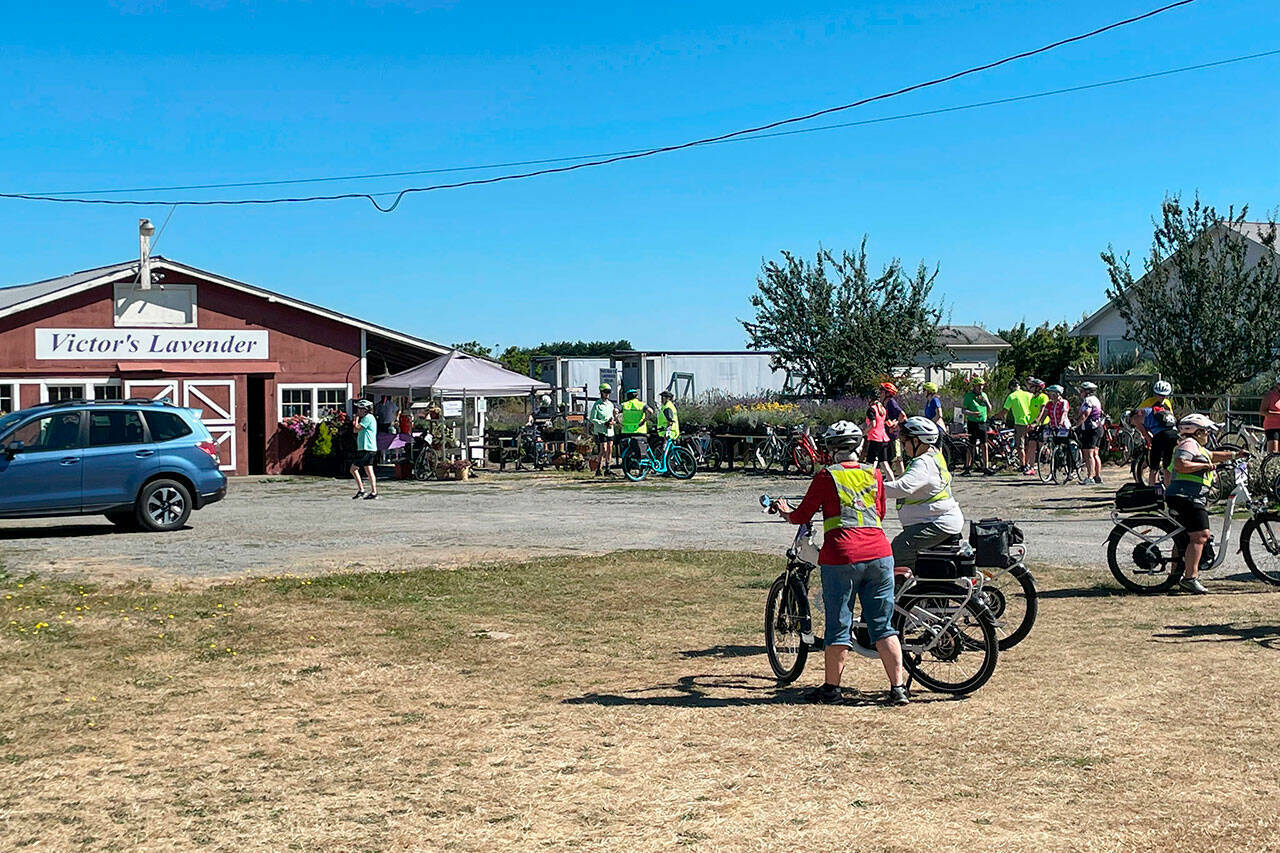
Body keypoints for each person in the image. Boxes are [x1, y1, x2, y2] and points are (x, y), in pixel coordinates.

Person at [774, 422, 908, 706]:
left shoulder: (827, 476)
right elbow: (880, 512)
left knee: (838, 625)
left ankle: (832, 689)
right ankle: (898, 689)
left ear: (832, 450)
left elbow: (802, 515)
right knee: (883, 626)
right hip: (880, 554)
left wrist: (786, 512)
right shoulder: (875, 473)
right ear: (859, 447)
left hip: (842, 556)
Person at [1166, 414, 1244, 594]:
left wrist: (1235, 454)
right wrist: (1203, 467)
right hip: (1186, 496)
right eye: (1206, 431)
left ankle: (1175, 575)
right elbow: (1180, 465)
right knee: (1201, 535)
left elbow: (1214, 455)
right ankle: (1190, 579)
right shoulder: (1188, 444)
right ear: (1197, 431)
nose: (1208, 434)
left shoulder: (1198, 447)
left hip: (1189, 496)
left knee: (1184, 537)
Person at [878, 417, 964, 572]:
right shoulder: (933, 454)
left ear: (917, 441)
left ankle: (905, 592)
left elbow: (902, 488)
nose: (904, 447)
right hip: (935, 520)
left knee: (897, 551)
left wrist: (868, 487)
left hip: (937, 523)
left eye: (905, 442)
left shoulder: (923, 462)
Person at [1132, 380, 1176, 489]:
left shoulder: (1167, 403)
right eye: (1160, 395)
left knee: (1158, 466)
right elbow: (1139, 416)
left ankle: (1154, 490)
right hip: (1157, 432)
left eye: (1165, 395)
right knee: (1161, 465)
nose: (1162, 397)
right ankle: (1160, 489)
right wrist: (1146, 435)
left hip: (1160, 434)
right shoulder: (1148, 403)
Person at [1000, 378, 1034, 473]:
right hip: (1031, 422)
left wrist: (996, 416)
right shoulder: (1029, 394)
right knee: (1029, 445)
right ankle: (1029, 464)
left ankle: (1023, 465)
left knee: (1020, 446)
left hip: (1020, 422)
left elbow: (1005, 411)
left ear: (1011, 387)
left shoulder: (1012, 396)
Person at [961, 376, 993, 476]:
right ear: (974, 386)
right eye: (979, 386)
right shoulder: (968, 396)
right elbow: (964, 410)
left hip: (982, 422)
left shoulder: (984, 395)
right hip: (972, 422)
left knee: (984, 445)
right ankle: (967, 467)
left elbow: (990, 409)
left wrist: (986, 401)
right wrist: (972, 413)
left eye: (982, 386)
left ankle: (986, 466)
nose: (981, 388)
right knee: (971, 445)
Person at [1075, 381, 1104, 485]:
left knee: (1088, 454)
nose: (1080, 393)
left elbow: (1085, 414)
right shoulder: (1096, 399)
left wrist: (1076, 426)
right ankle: (1097, 476)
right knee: (1096, 454)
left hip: (1090, 429)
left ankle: (1090, 477)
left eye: (1081, 391)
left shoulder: (1088, 400)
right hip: (1098, 428)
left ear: (1087, 392)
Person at [350, 399, 379, 500]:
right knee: (369, 470)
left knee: (353, 469)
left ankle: (361, 490)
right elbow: (355, 430)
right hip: (368, 447)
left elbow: (356, 428)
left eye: (360, 409)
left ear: (365, 410)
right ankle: (374, 491)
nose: (358, 411)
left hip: (367, 448)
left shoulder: (368, 418)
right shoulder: (367, 418)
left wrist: (356, 419)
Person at [1036, 385, 1073, 465]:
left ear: (1057, 394)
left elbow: (1064, 413)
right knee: (1054, 446)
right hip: (1054, 427)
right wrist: (1039, 423)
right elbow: (1045, 414)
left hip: (1064, 427)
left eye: (1051, 393)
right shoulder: (1049, 404)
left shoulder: (1064, 402)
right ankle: (1054, 469)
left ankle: (1070, 466)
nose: (1049, 394)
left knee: (1067, 446)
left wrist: (1061, 422)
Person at [588, 383, 618, 476]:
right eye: (605, 392)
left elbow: (614, 417)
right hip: (601, 430)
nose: (607, 394)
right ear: (601, 392)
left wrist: (613, 422)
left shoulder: (610, 404)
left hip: (610, 430)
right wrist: (602, 423)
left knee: (609, 448)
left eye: (608, 392)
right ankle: (598, 468)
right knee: (603, 449)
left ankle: (608, 468)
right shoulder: (597, 405)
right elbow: (592, 418)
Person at [617, 389, 653, 460]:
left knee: (627, 449)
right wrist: (644, 420)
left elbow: (615, 411)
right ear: (636, 396)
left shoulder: (624, 405)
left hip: (627, 431)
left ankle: (628, 465)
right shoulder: (642, 404)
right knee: (642, 449)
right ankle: (643, 467)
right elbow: (650, 411)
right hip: (640, 431)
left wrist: (618, 422)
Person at [881, 382, 907, 475]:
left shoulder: (891, 402)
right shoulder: (884, 403)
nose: (880, 392)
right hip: (887, 435)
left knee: (898, 458)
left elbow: (902, 415)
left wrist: (896, 425)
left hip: (894, 435)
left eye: (882, 390)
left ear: (887, 393)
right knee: (889, 458)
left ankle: (902, 477)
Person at [1025, 378, 1049, 475]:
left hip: (1043, 424)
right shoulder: (1033, 398)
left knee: (1042, 445)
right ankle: (1031, 467)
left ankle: (1050, 460)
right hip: (1033, 424)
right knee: (1031, 445)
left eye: (1033, 386)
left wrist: (1038, 421)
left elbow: (1042, 410)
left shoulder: (1043, 397)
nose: (1030, 388)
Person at [864, 386, 891, 468]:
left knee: (869, 462)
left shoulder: (871, 409)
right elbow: (888, 423)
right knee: (884, 463)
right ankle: (892, 480)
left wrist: (864, 432)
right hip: (884, 438)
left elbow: (873, 424)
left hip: (875, 438)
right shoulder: (883, 409)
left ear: (870, 398)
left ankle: (869, 480)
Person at [655, 390, 680, 457]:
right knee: (666, 450)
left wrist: (667, 432)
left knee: (665, 450)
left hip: (669, 432)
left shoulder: (667, 407)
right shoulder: (668, 406)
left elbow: (670, 420)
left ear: (667, 398)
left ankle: (665, 464)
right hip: (668, 431)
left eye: (663, 397)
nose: (661, 399)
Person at [1260, 376, 1280, 455]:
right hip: (1272, 427)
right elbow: (1262, 411)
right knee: (1273, 454)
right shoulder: (1269, 395)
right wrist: (1277, 414)